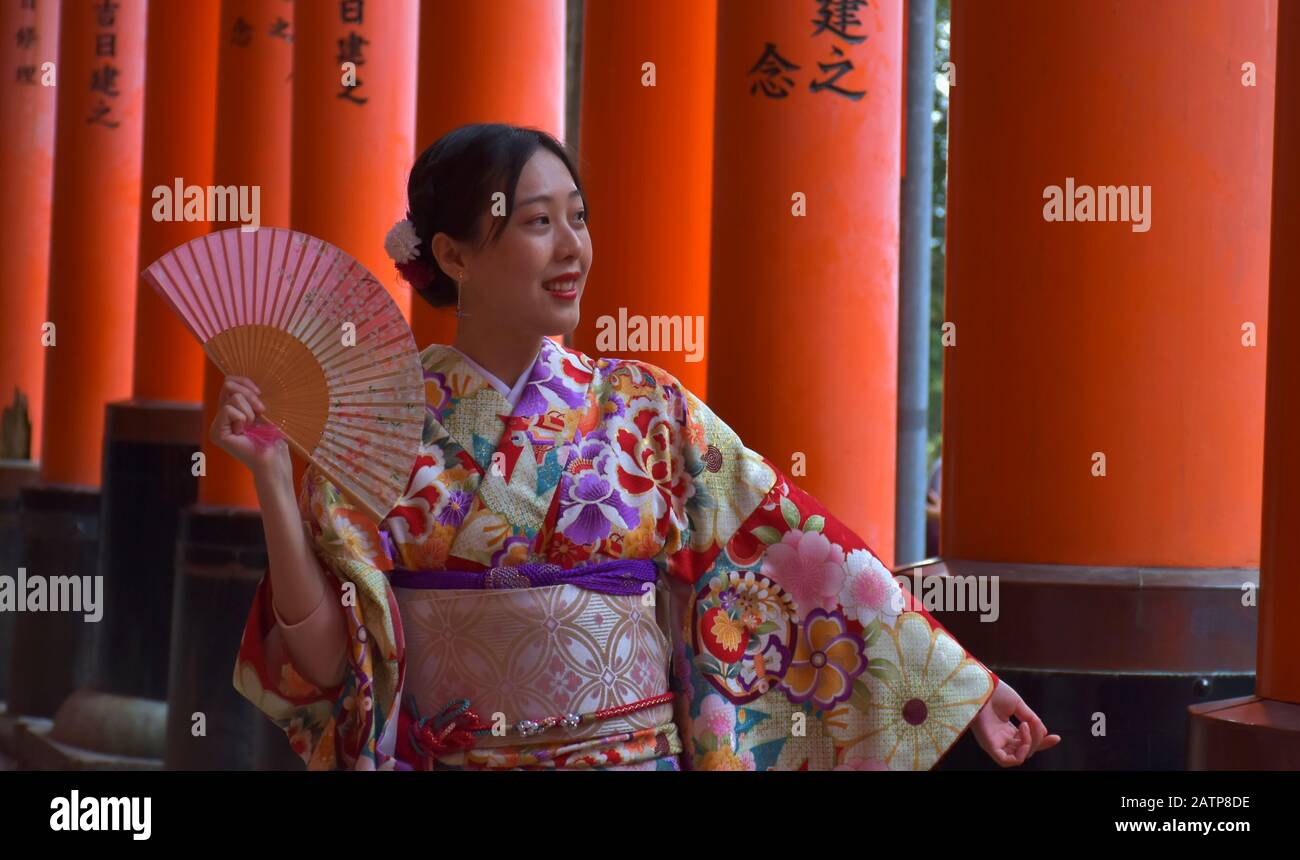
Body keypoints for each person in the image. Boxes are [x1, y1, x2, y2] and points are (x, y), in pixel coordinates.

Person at [218, 123, 1060, 771]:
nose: (572, 247)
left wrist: (956, 684)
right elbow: (332, 664)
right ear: (453, 255)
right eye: (537, 222)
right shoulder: (379, 427)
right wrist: (269, 480)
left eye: (578, 219)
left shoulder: (646, 408)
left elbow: (795, 552)